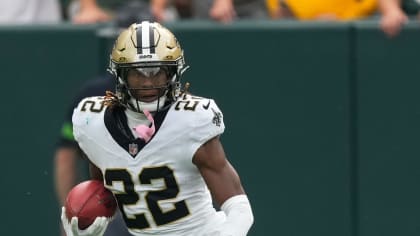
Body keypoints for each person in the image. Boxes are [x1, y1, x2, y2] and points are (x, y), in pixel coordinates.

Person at [60, 21, 254, 236]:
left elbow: (239, 208)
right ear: (120, 75)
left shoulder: (190, 121)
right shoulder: (92, 123)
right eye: (137, 73)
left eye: (157, 72)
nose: (147, 83)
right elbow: (104, 196)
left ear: (173, 73)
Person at [54, 74, 132, 236]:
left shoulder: (177, 105)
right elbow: (66, 155)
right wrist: (72, 214)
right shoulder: (93, 96)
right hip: (111, 212)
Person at [267, 0, 377, 21]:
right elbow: (279, 11)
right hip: (298, 39)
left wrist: (343, 20)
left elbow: (371, 3)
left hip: (346, 37)